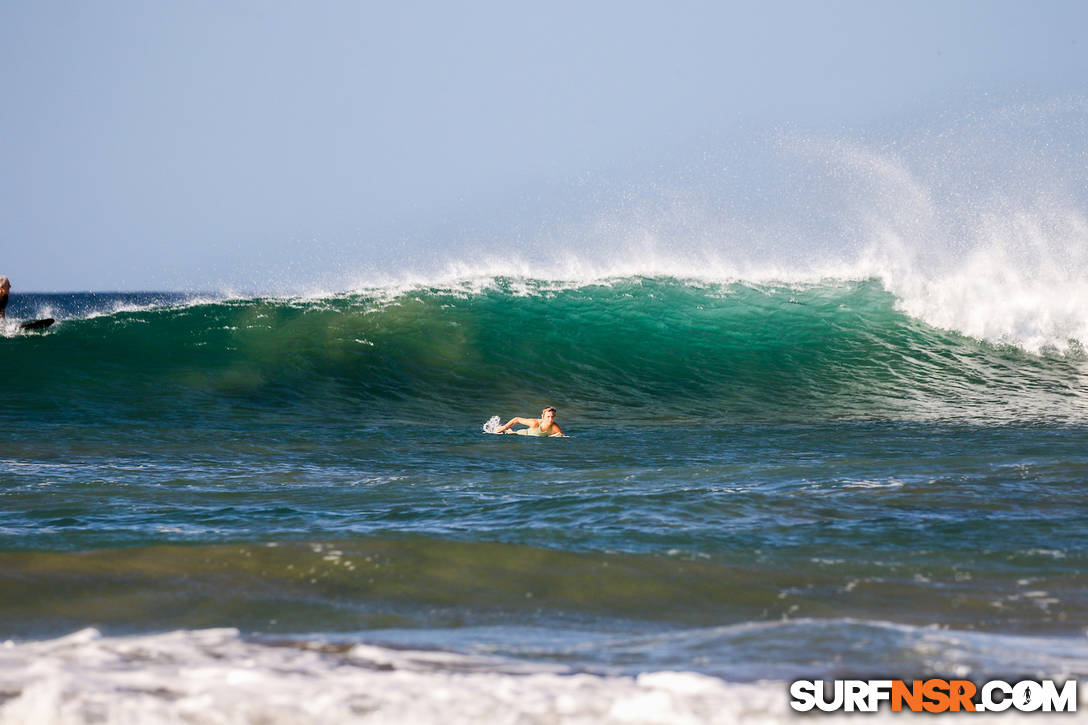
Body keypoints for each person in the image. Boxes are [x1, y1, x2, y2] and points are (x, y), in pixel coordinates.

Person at [495, 406, 564, 437]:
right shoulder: (535, 423)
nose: (550, 419)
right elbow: (517, 419)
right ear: (543, 416)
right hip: (523, 433)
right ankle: (505, 429)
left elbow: (562, 437)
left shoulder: (555, 427)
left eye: (552, 417)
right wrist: (503, 428)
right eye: (548, 417)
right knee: (512, 433)